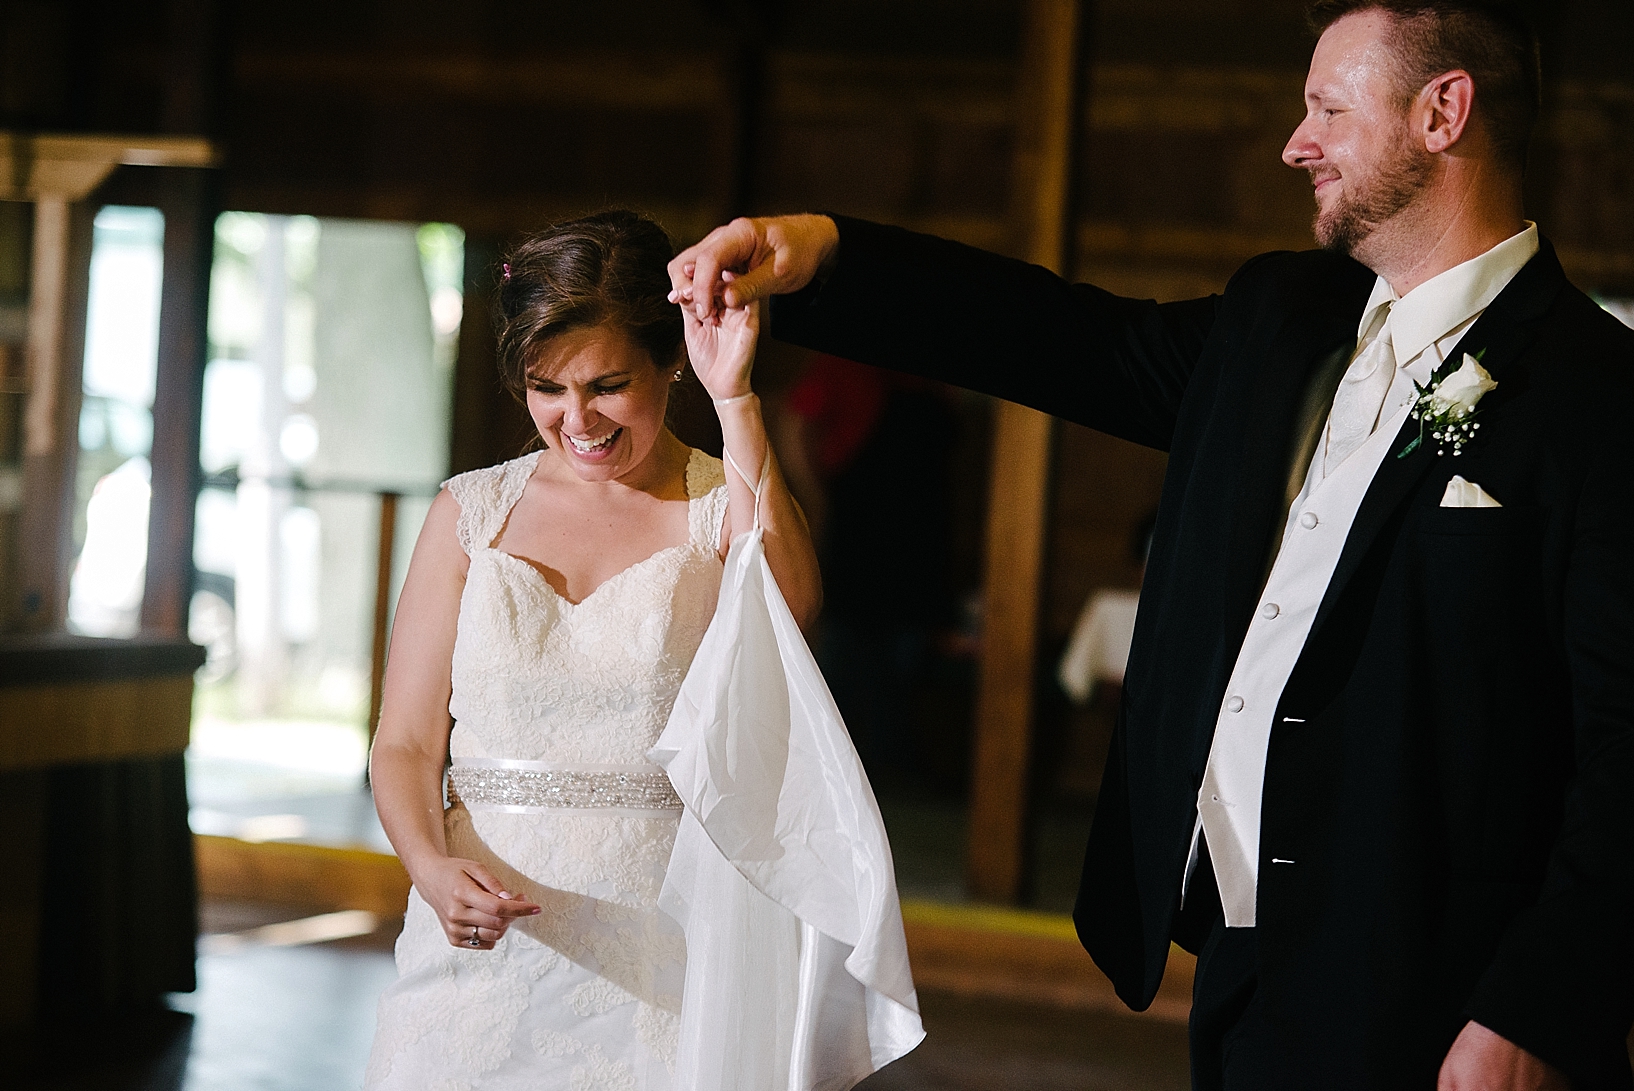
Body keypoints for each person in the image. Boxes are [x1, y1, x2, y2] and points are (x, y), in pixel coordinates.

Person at [667, 1, 1634, 1087]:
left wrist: (1536, 1004)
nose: (1293, 140)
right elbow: (1060, 339)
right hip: (1235, 961)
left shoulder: (1599, 398)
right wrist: (825, 256)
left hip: (1443, 996)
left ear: (1442, 112)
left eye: (1325, 108)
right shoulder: (1280, 316)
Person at [363, 210, 820, 1089]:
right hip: (480, 938)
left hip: (658, 942)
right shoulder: (470, 512)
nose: (578, 419)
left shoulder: (718, 505)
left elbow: (794, 603)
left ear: (670, 360)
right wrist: (428, 867)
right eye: (548, 388)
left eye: (608, 384)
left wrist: (738, 400)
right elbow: (407, 742)